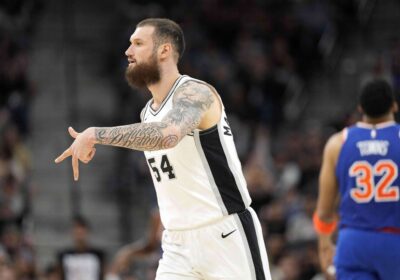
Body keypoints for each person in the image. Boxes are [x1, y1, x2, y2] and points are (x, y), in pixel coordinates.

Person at [55, 18, 271, 280]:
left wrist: (96, 135)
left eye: (138, 43)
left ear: (164, 50)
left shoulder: (196, 92)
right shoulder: (147, 113)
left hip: (224, 233)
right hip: (177, 243)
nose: (128, 51)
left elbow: (168, 135)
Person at [314, 79, 400, 280]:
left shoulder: (337, 143)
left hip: (354, 242)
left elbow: (325, 211)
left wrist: (324, 245)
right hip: (394, 239)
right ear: (394, 105)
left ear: (360, 108)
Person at [57, 216, 105, 280]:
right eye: (77, 231)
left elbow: (102, 274)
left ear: (87, 232)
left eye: (82, 231)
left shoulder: (98, 255)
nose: (79, 234)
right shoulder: (64, 255)